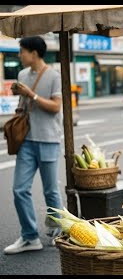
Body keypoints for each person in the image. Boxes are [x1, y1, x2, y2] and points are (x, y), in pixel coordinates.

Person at [4, 36, 64, 254]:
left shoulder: (54, 75)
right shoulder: (21, 75)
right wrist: (21, 96)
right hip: (27, 140)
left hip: (48, 138)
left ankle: (60, 230)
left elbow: (56, 107)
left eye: (22, 52)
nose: (20, 56)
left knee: (51, 191)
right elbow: (24, 104)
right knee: (19, 189)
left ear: (34, 53)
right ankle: (30, 236)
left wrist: (32, 94)